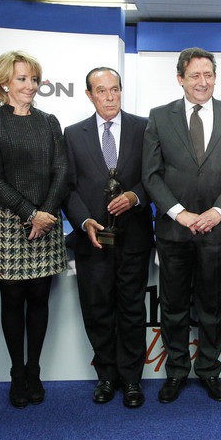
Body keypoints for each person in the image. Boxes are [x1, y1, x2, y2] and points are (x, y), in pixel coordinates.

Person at [142, 47, 221, 403]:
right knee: (173, 307)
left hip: (218, 231)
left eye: (208, 75)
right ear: (180, 79)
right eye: (195, 76)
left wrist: (219, 212)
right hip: (174, 231)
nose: (203, 82)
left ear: (215, 77)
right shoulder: (159, 117)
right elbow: (151, 174)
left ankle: (208, 369)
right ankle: (176, 371)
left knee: (212, 305)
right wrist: (179, 212)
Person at [0, 51, 68, 409]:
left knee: (39, 299)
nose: (30, 85)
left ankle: (34, 369)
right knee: (12, 301)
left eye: (33, 79)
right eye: (21, 79)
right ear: (3, 83)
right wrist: (31, 213)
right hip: (8, 220)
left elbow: (62, 172)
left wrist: (44, 213)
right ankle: (17, 372)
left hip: (45, 220)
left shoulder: (49, 121)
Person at [63, 67, 153, 409]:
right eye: (101, 91)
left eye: (114, 89)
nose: (110, 96)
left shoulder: (144, 128)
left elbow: (155, 177)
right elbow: (67, 187)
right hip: (92, 239)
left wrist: (135, 197)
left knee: (132, 310)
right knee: (97, 310)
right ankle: (106, 376)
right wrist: (84, 220)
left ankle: (131, 380)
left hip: (135, 237)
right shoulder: (72, 134)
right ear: (89, 94)